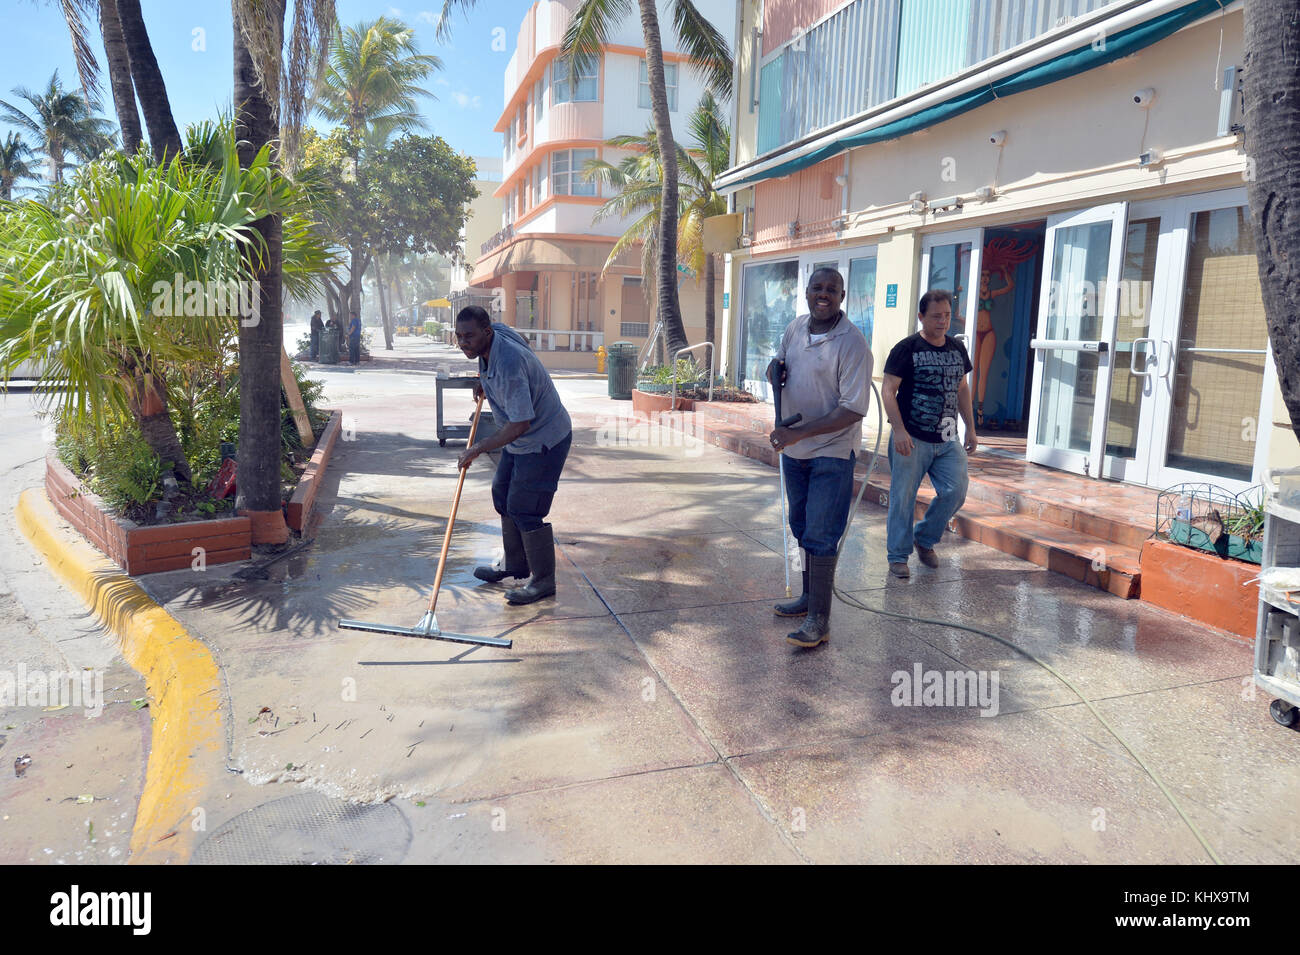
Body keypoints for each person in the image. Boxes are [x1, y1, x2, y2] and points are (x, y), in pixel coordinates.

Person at [768, 267, 872, 649]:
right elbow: (782, 364)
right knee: (800, 526)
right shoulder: (795, 328)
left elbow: (853, 410)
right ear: (807, 292)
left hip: (832, 450)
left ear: (842, 296)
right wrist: (773, 370)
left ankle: (819, 620)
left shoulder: (853, 343)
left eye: (832, 289)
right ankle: (807, 599)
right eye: (817, 288)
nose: (823, 294)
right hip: (795, 451)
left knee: (822, 533)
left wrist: (800, 432)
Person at [455, 306, 572, 605]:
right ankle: (516, 564)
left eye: (469, 336)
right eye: (459, 336)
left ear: (486, 332)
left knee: (525, 508)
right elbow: (522, 339)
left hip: (545, 439)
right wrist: (486, 380)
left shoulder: (508, 365)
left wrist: (479, 448)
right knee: (502, 492)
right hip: (523, 440)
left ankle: (544, 581)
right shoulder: (498, 335)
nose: (463, 342)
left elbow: (520, 423)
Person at [882, 289, 978, 579]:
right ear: (921, 316)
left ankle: (924, 538)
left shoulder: (957, 349)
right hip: (912, 437)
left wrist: (971, 428)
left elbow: (961, 389)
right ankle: (898, 556)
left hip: (948, 437)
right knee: (903, 497)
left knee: (956, 491)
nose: (943, 321)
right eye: (936, 316)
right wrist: (898, 430)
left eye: (947, 315)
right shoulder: (906, 348)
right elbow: (888, 390)